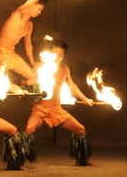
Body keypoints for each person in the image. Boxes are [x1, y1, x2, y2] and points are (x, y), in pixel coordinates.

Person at [24, 38, 94, 166]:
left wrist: (84, 98)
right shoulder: (39, 66)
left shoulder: (64, 69)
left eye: (60, 55)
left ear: (63, 56)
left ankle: (82, 159)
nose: (57, 57)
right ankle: (19, 160)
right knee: (29, 129)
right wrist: (27, 85)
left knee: (80, 130)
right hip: (40, 109)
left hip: (56, 109)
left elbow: (71, 85)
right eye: (55, 54)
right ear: (49, 53)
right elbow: (27, 83)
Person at [0, 0, 53, 87]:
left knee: (34, 78)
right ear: (32, 5)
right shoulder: (17, 15)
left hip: (12, 54)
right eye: (39, 9)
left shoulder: (29, 25)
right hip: (0, 53)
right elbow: (25, 6)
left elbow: (28, 45)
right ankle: (10, 88)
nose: (39, 13)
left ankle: (20, 86)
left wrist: (32, 62)